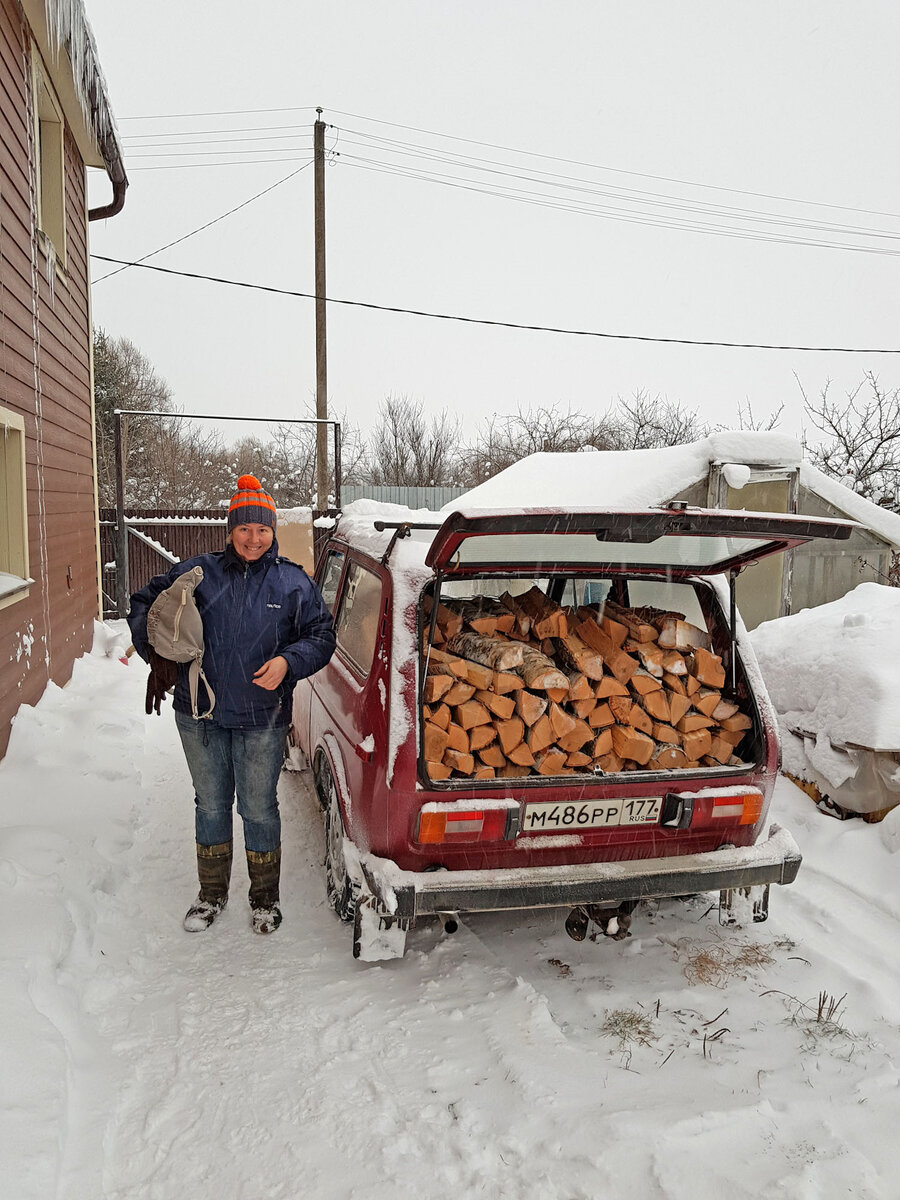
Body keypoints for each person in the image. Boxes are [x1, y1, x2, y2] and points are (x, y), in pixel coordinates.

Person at [128, 475, 336, 935]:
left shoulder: (292, 583)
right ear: (230, 529)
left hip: (262, 718)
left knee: (259, 808)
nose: (253, 538)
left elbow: (322, 636)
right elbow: (144, 603)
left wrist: (288, 661)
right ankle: (210, 895)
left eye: (262, 529)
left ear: (273, 531)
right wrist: (157, 653)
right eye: (244, 528)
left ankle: (264, 898)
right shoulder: (200, 573)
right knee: (211, 805)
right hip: (199, 715)